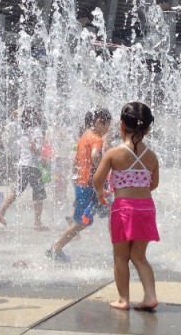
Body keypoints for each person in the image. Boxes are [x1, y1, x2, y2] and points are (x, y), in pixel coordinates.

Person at [93, 102, 160, 311]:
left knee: (121, 256)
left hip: (123, 209)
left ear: (121, 125)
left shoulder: (114, 154)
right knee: (139, 256)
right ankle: (150, 296)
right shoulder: (151, 156)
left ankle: (123, 299)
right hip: (146, 209)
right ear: (148, 128)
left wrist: (101, 194)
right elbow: (154, 184)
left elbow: (97, 180)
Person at [47, 108, 112, 262]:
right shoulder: (96, 138)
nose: (108, 129)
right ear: (99, 123)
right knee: (82, 223)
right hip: (91, 186)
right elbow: (96, 155)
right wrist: (103, 170)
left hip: (83, 184)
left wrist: (75, 179)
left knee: (110, 212)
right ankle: (55, 248)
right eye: (107, 125)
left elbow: (76, 161)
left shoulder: (84, 136)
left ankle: (121, 249)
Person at [0, 107, 48, 230]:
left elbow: (16, 114)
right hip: (32, 166)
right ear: (33, 117)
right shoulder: (36, 131)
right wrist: (38, 150)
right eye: (37, 113)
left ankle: (1, 212)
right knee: (39, 193)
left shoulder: (23, 130)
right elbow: (37, 150)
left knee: (17, 189)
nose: (40, 114)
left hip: (23, 165)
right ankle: (37, 222)